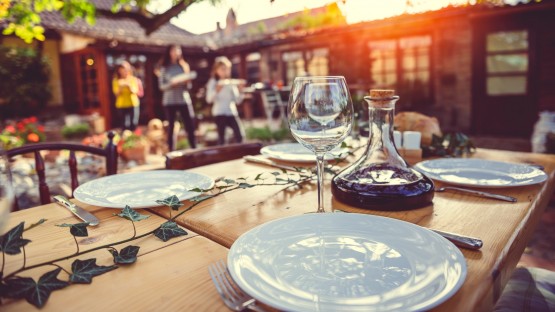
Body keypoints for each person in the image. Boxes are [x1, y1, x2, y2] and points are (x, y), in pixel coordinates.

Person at [158, 45, 197, 150]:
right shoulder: (164, 68)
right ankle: (171, 151)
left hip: (183, 99)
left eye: (178, 50)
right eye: (174, 50)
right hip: (169, 101)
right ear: (169, 52)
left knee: (190, 125)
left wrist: (186, 82)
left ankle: (194, 148)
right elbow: (161, 86)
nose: (176, 52)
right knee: (171, 127)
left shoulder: (184, 66)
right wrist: (171, 84)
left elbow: (189, 86)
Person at [205, 57, 244, 145]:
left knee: (239, 136)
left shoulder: (230, 83)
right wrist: (216, 90)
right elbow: (208, 100)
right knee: (222, 138)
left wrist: (241, 90)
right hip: (219, 113)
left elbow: (237, 100)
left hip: (231, 112)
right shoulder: (213, 82)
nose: (225, 71)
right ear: (216, 70)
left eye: (227, 69)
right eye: (222, 69)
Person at [112, 61, 140, 131]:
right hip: (121, 104)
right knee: (124, 124)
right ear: (119, 71)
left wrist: (129, 86)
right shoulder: (116, 80)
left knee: (133, 123)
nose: (123, 71)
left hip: (133, 103)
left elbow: (136, 91)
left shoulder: (133, 79)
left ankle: (133, 137)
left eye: (125, 69)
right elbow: (116, 94)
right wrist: (121, 87)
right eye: (121, 70)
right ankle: (125, 139)